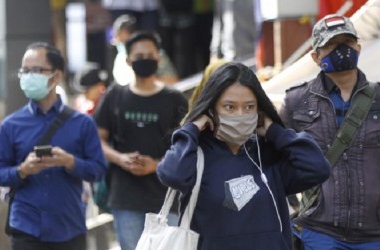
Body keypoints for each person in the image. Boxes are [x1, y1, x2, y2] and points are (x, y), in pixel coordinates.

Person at [157, 62, 330, 250]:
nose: (241, 115)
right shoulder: (196, 156)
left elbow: (318, 168)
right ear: (212, 109)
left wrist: (276, 132)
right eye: (229, 107)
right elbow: (171, 174)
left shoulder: (269, 155)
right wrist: (192, 129)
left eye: (249, 107)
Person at [279, 14, 380, 249]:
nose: (342, 50)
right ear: (315, 56)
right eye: (332, 45)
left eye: (347, 42)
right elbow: (276, 159)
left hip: (374, 234)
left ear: (358, 47)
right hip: (319, 231)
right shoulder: (296, 101)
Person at [0, 42, 107, 250]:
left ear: (56, 76)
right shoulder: (11, 125)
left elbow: (99, 170)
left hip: (69, 226)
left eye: (37, 70)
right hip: (25, 226)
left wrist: (71, 162)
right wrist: (22, 170)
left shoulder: (82, 123)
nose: (29, 76)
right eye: (25, 71)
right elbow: (0, 171)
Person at [94, 31, 188, 250]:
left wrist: (157, 165)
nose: (144, 59)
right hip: (126, 198)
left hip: (168, 198)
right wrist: (120, 158)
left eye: (150, 54)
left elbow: (187, 147)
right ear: (128, 60)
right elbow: (98, 139)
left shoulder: (175, 100)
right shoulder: (114, 95)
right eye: (139, 55)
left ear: (159, 59)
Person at [111, 14, 179, 85]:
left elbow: (173, 81)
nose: (123, 46)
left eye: (125, 42)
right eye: (120, 42)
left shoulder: (155, 55)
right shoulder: (120, 57)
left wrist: (147, 79)